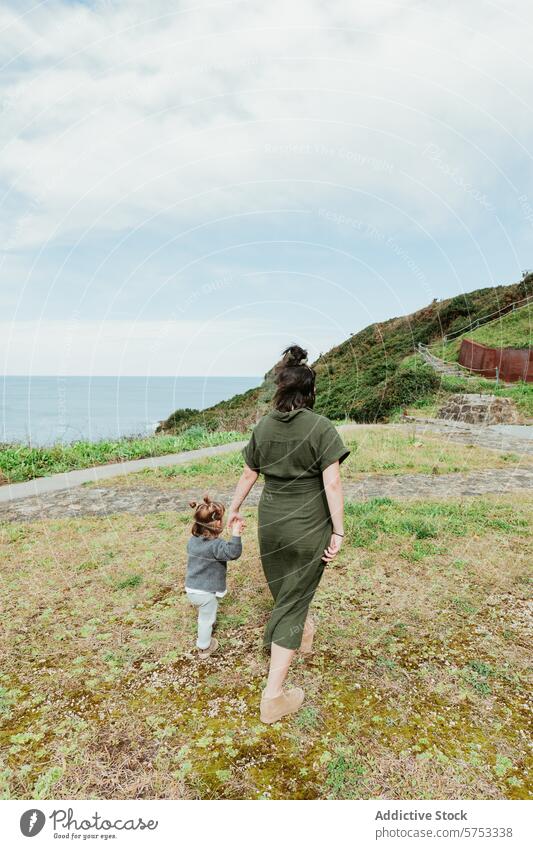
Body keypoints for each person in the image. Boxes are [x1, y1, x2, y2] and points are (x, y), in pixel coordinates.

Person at [227, 345, 349, 723]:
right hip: (307, 525)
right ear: (309, 392)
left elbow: (249, 474)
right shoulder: (321, 427)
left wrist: (233, 508)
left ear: (280, 389)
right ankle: (273, 696)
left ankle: (301, 634)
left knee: (286, 588)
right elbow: (332, 484)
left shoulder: (262, 427)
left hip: (272, 523)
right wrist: (339, 531)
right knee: (294, 598)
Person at [185, 494, 244, 659]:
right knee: (206, 619)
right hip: (205, 593)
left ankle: (207, 629)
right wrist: (236, 534)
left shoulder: (193, 540)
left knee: (206, 613)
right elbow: (233, 553)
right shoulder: (216, 545)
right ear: (218, 523)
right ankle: (204, 647)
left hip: (191, 588)